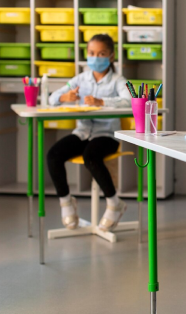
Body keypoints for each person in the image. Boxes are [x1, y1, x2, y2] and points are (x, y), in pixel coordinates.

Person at [47, 34, 131, 231]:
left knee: (90, 156)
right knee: (53, 155)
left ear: (111, 56)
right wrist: (65, 97)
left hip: (107, 135)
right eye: (92, 53)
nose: (96, 57)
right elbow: (53, 98)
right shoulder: (80, 78)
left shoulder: (118, 80)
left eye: (101, 53)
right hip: (83, 132)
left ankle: (114, 203)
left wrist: (102, 102)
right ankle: (66, 202)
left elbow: (129, 100)